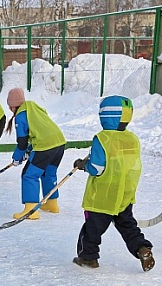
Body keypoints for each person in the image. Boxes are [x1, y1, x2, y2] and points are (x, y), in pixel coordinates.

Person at [72, 95, 155, 271]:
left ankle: (88, 257)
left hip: (103, 196)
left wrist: (82, 165)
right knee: (128, 226)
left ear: (105, 117)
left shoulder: (102, 139)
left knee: (92, 230)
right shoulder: (131, 139)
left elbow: (96, 168)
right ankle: (142, 248)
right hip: (124, 194)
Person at [5, 88, 66, 220]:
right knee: (48, 173)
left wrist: (17, 158)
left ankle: (31, 210)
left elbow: (22, 142)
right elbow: (39, 131)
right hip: (59, 143)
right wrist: (28, 150)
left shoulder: (21, 116)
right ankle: (52, 204)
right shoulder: (34, 108)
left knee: (29, 175)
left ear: (12, 105)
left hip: (45, 147)